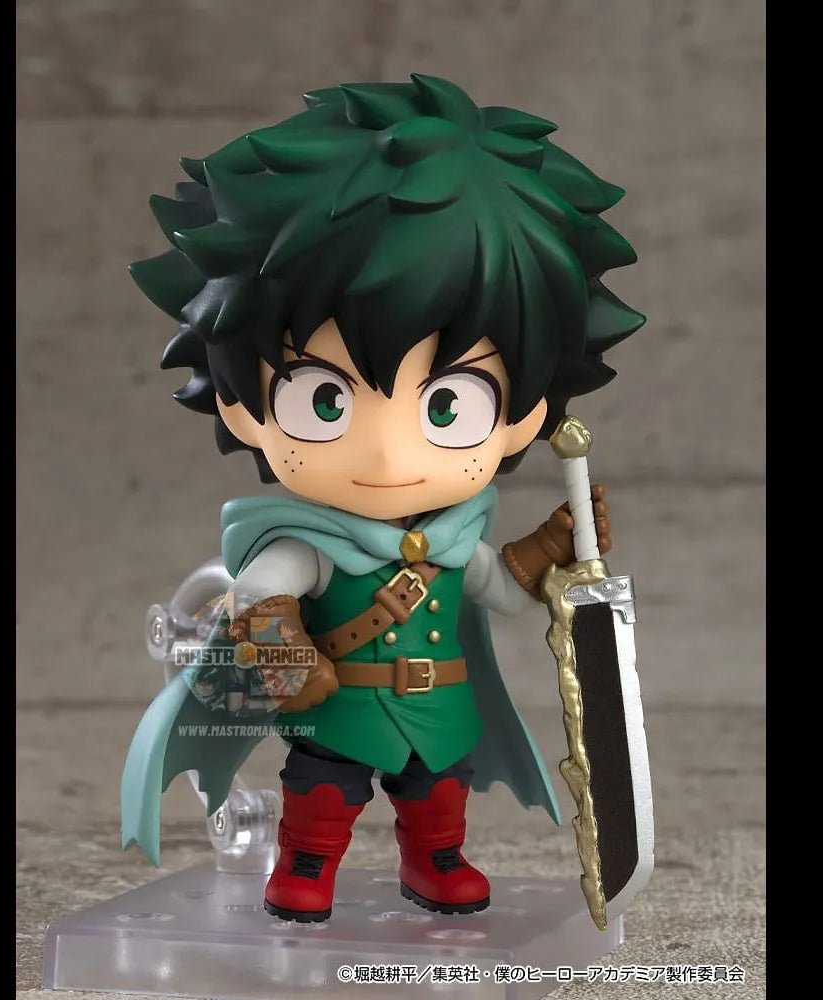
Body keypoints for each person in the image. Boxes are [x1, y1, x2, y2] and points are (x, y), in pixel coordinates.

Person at [121, 73, 644, 923]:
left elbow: (505, 592)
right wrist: (283, 651)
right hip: (338, 706)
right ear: (242, 405)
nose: (388, 453)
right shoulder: (303, 542)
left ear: (526, 415)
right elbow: (257, 596)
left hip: (439, 708)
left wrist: (550, 549)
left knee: (438, 799)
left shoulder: (454, 535)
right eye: (326, 400)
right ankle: (305, 866)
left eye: (448, 406)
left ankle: (435, 862)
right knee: (323, 797)